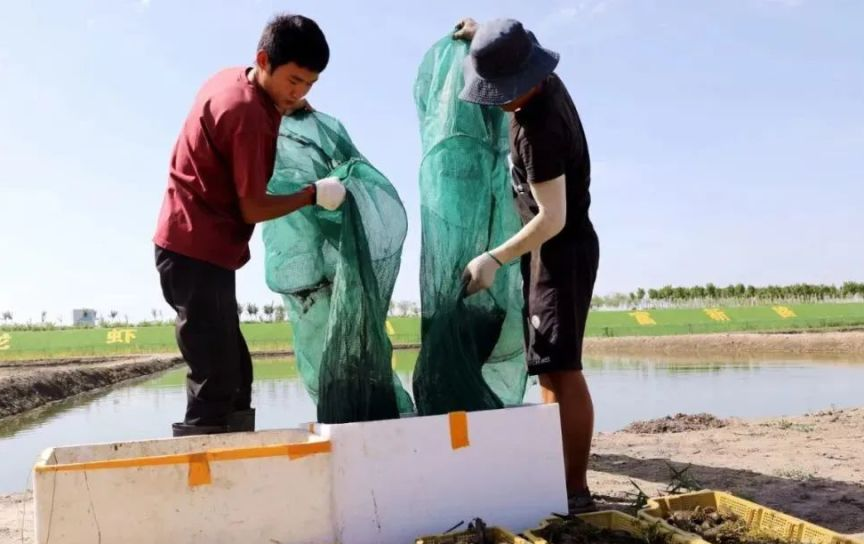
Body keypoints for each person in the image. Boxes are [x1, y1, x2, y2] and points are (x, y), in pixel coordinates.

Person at [153, 14, 346, 437]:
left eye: (309, 85)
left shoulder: (233, 79)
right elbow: (253, 209)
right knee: (215, 379)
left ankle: (237, 464)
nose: (298, 92)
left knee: (236, 373)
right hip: (192, 252)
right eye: (294, 81)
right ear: (264, 60)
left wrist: (290, 101)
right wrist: (313, 194)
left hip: (203, 251)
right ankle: (202, 479)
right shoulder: (247, 115)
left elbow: (268, 101)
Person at [455, 18, 600, 513]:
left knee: (564, 369)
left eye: (501, 90)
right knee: (547, 371)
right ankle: (553, 478)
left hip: (562, 252)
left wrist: (493, 258)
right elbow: (507, 39)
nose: (497, 99)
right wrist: (480, 34)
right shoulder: (545, 82)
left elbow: (553, 217)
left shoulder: (538, 128)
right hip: (544, 256)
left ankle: (575, 490)